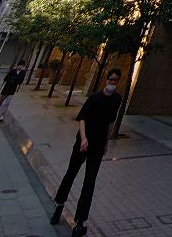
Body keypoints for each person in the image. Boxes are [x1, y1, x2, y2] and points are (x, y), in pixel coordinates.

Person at [50, 67, 122, 236]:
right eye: (110, 79)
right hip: (83, 142)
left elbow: (110, 122)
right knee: (71, 173)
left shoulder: (117, 99)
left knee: (89, 182)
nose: (112, 82)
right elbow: (82, 118)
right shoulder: (95, 97)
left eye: (115, 80)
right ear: (106, 80)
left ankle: (80, 221)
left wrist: (106, 143)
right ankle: (59, 205)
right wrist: (83, 139)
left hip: (98, 145)